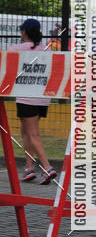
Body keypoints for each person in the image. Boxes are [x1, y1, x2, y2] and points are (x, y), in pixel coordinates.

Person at [9, 18, 57, 185]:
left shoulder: (16, 49)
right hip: (43, 98)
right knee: (26, 131)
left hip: (25, 97)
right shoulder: (46, 49)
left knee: (32, 133)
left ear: (24, 32)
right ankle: (29, 168)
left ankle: (47, 167)